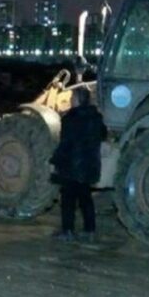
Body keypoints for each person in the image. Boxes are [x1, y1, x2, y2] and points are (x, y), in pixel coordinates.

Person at [50, 86, 107, 242]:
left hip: (72, 166)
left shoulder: (70, 119)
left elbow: (66, 143)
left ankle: (67, 231)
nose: (70, 100)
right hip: (89, 165)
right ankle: (90, 230)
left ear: (77, 100)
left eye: (72, 98)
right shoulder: (96, 118)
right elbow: (103, 135)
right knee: (86, 199)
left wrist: (54, 160)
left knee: (68, 200)